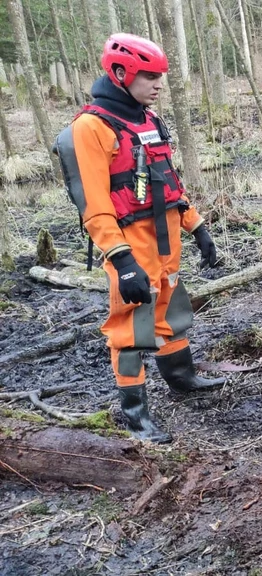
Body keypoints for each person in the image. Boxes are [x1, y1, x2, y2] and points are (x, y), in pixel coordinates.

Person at [53, 33, 226, 444]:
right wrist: (121, 260)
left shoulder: (148, 120)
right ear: (119, 73)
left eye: (159, 75)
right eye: (149, 75)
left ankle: (182, 378)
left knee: (172, 311)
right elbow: (93, 205)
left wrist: (197, 226)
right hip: (130, 244)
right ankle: (136, 415)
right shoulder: (90, 128)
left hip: (167, 241)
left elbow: (169, 181)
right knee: (130, 329)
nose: (158, 83)